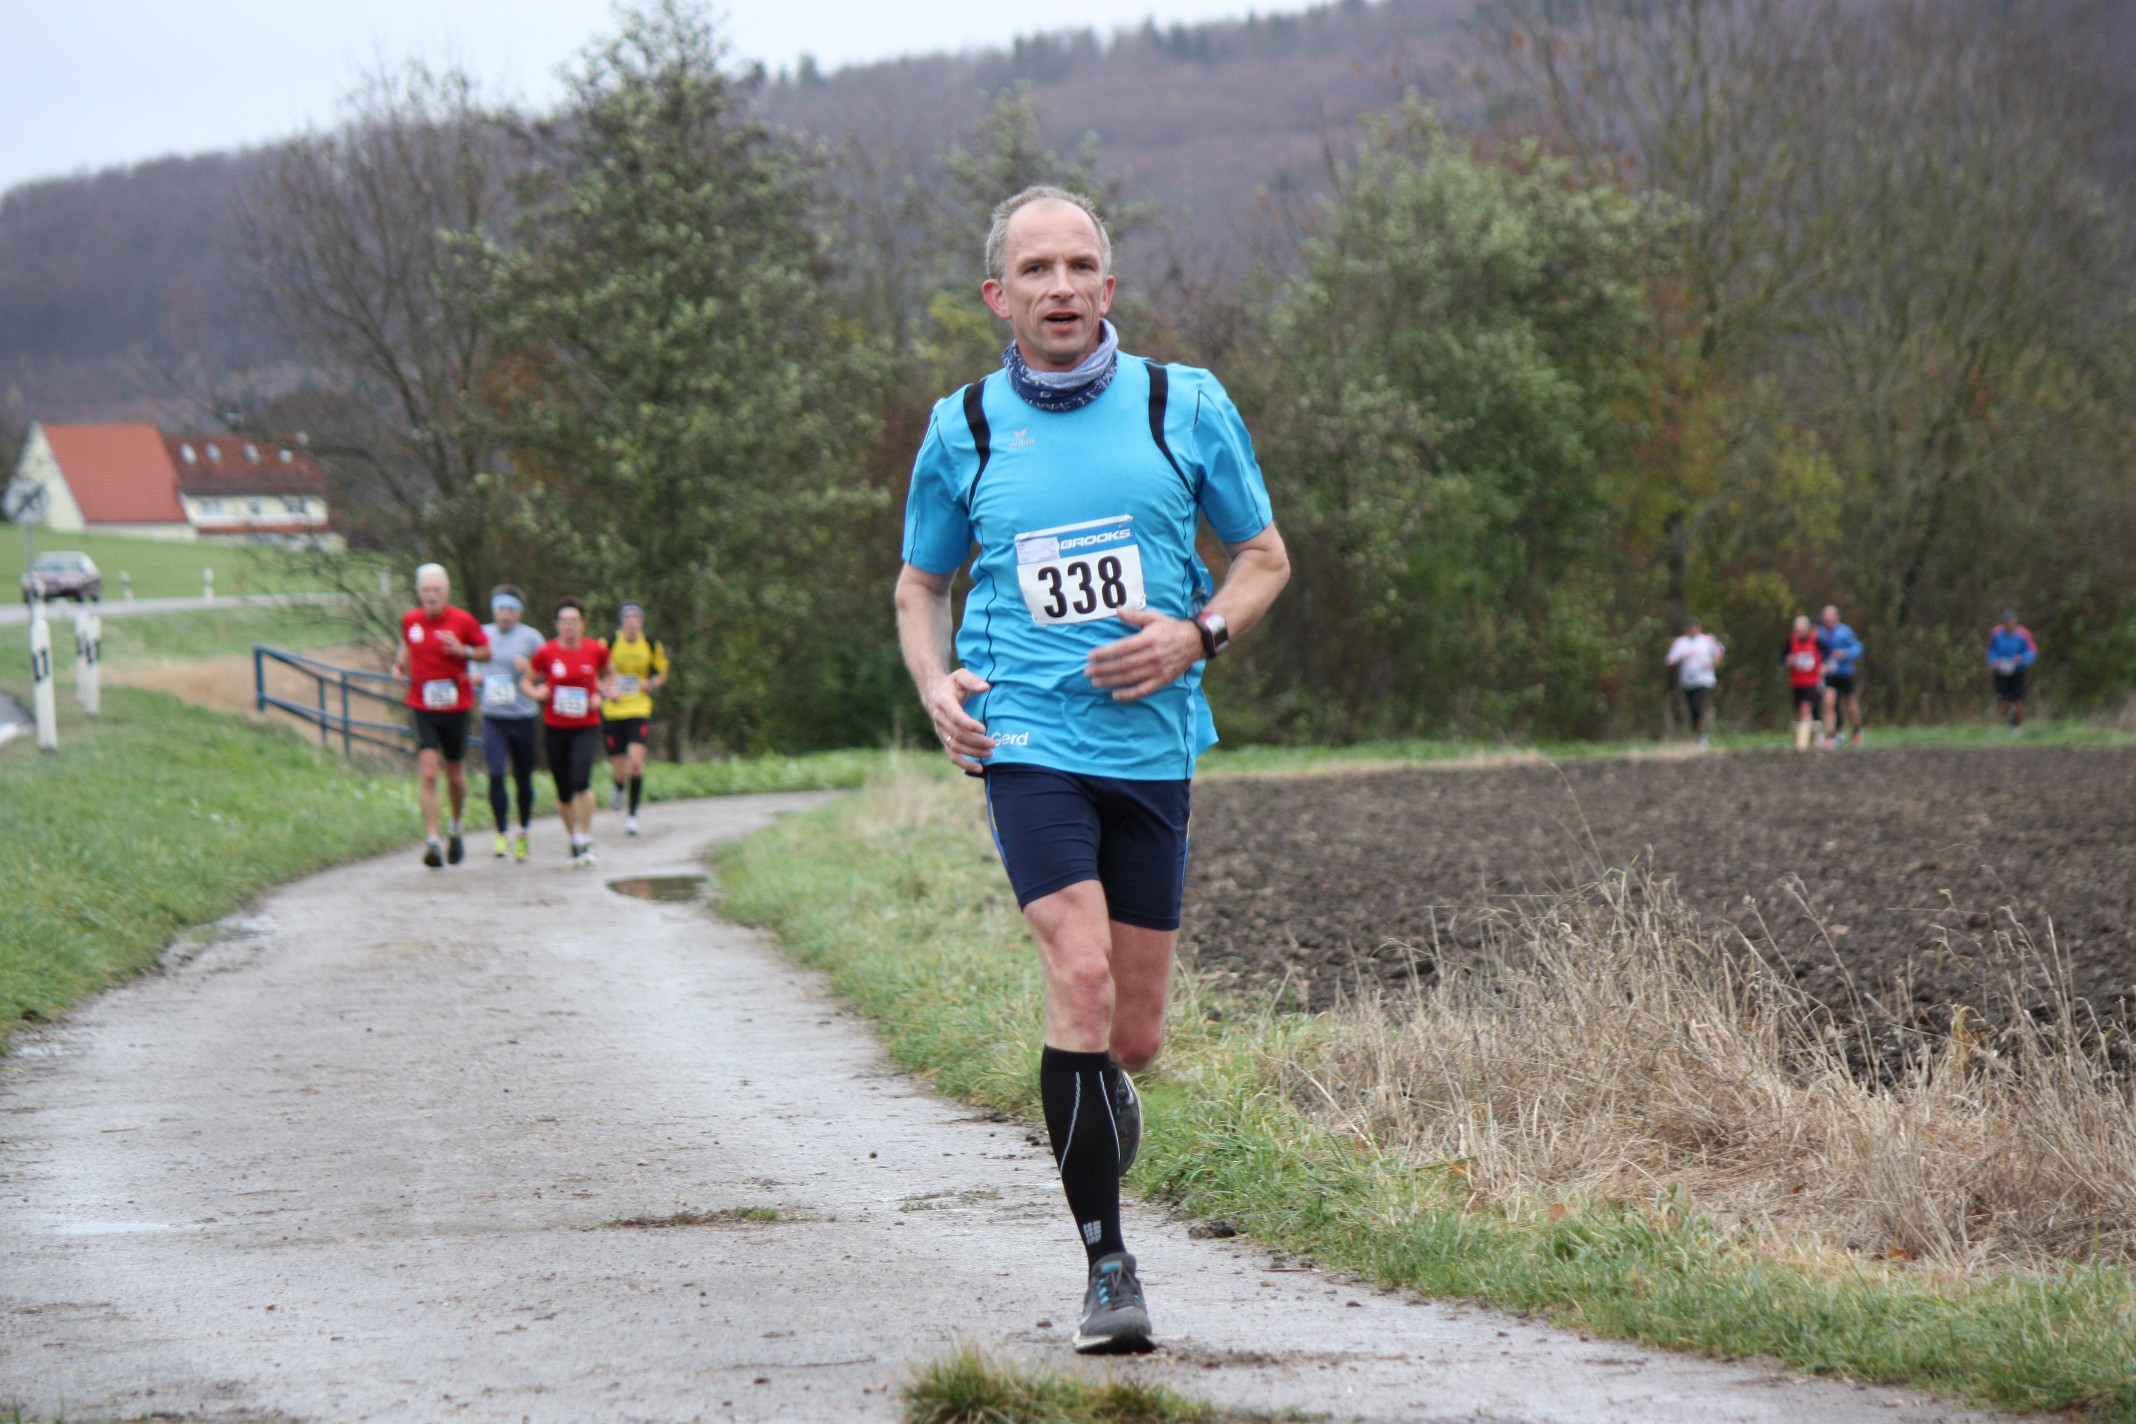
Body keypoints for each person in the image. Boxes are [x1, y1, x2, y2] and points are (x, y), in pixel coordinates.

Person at [895, 186, 1290, 1355]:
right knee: (1077, 973)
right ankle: (1108, 1267)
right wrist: (935, 683)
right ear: (998, 296)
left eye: (1079, 266)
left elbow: (1264, 557)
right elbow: (920, 583)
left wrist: (1196, 635)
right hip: (1024, 739)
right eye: (1036, 270)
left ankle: (1094, 1096)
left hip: (1151, 745)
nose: (1059, 286)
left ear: (1108, 287)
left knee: (1134, 1035)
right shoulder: (964, 426)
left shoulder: (1182, 404)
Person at [391, 563, 488, 869]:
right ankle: (433, 839)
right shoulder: (410, 620)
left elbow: (486, 652)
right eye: (426, 590)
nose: (431, 595)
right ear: (419, 592)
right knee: (430, 772)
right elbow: (408, 643)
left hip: (456, 707)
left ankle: (455, 827)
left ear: (446, 592)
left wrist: (464, 651)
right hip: (423, 705)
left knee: (455, 775)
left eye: (436, 590)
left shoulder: (463, 620)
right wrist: (399, 665)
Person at [523, 597, 611, 867]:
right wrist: (537, 692)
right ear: (557, 625)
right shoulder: (546, 652)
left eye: (573, 621)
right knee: (563, 792)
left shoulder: (596, 650)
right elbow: (527, 680)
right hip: (556, 727)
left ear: (582, 624)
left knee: (581, 780)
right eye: (564, 621)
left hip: (586, 726)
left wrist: (601, 695)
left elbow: (611, 676)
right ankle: (573, 838)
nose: (568, 626)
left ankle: (586, 837)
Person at [472, 585, 546, 860]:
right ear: (494, 610)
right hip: (493, 717)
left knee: (523, 778)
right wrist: (475, 677)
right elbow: (470, 662)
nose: (505, 614)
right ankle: (501, 832)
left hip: (523, 717)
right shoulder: (482, 634)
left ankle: (523, 831)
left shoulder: (531, 637)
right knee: (495, 773)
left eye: (511, 610)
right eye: (501, 609)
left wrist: (530, 669)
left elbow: (548, 670)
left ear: (519, 613)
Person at [602, 601, 670, 836]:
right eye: (627, 619)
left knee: (636, 763)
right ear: (621, 622)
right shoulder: (608, 643)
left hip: (639, 708)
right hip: (613, 710)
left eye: (636, 619)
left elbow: (662, 673)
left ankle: (632, 816)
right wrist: (606, 690)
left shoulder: (650, 644)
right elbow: (593, 671)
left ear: (641, 622)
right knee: (620, 770)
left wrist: (651, 683)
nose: (632, 623)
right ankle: (619, 786)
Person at [1665, 617, 1724, 748]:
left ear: (1698, 627)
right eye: (1689, 627)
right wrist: (1682, 656)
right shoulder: (1681, 642)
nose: (1692, 630)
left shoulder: (1707, 639)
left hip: (1704, 679)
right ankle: (1699, 735)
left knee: (1697, 705)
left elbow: (1720, 651)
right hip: (1687, 681)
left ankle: (1702, 735)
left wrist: (1713, 663)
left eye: (1694, 627)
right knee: (1693, 709)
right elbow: (1670, 659)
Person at [1816, 604, 1865, 748]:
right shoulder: (1819, 633)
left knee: (1849, 701)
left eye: (1830, 617)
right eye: (1825, 617)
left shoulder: (1845, 631)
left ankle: (1857, 729)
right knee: (1828, 703)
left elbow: (1858, 648)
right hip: (1829, 673)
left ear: (1837, 618)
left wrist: (1845, 653)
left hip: (1845, 673)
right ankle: (1830, 735)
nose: (1828, 620)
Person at [1986, 608, 2039, 736]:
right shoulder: (1995, 633)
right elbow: (1991, 649)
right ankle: (2011, 716)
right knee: (2002, 704)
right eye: (2006, 622)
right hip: (2001, 672)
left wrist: (2022, 659)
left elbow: (2032, 651)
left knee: (2019, 702)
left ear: (2016, 621)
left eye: (2010, 621)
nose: (2008, 624)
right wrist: (1993, 661)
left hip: (2018, 672)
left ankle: (2017, 728)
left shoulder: (2024, 634)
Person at [1783, 614, 1822, 751]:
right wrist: (1788, 660)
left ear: (1807, 628)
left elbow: (1826, 654)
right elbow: (1783, 658)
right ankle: (1814, 736)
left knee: (1806, 709)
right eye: (1796, 628)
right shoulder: (1791, 641)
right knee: (1800, 713)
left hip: (1812, 681)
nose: (1798, 631)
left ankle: (1802, 744)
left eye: (1801, 628)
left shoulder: (1817, 640)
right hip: (1796, 682)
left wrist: (1823, 665)